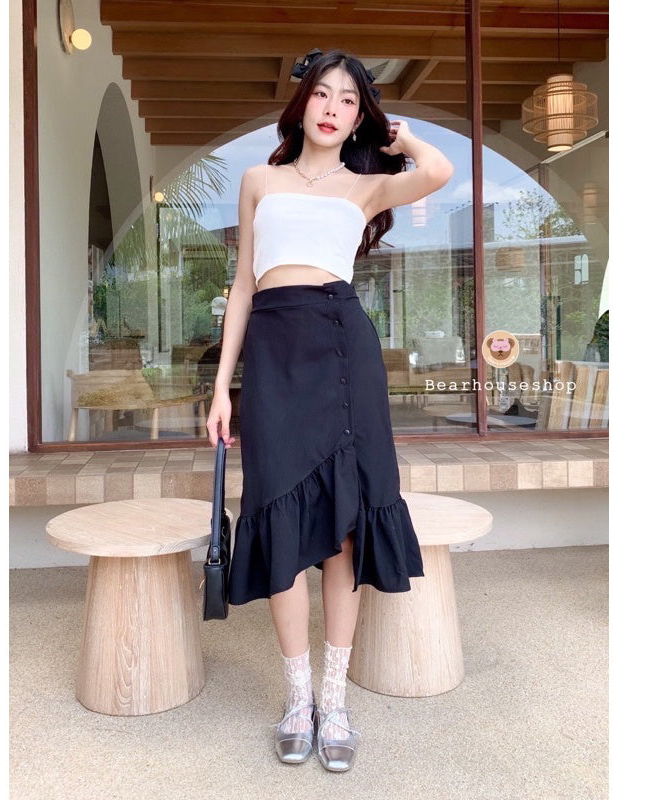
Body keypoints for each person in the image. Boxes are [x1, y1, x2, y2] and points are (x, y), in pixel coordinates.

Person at [205, 48, 454, 772]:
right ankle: (297, 698)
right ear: (303, 103)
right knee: (279, 517)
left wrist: (401, 137)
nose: (333, 108)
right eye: (323, 93)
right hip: (275, 355)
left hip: (343, 350)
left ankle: (335, 700)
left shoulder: (366, 187)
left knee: (344, 528)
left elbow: (439, 171)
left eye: (349, 99)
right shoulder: (259, 180)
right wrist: (222, 388)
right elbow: (244, 286)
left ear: (357, 117)